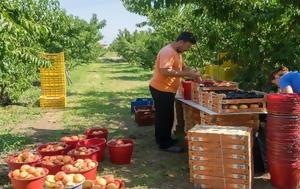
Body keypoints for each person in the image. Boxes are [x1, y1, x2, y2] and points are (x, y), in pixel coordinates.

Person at [149, 32, 201, 153]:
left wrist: (193, 74)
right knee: (165, 117)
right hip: (161, 89)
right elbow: (165, 71)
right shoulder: (168, 52)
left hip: (167, 89)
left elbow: (182, 67)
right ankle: (164, 144)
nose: (187, 49)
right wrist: (187, 74)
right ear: (181, 42)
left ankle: (163, 139)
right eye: (187, 47)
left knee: (165, 116)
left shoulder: (177, 52)